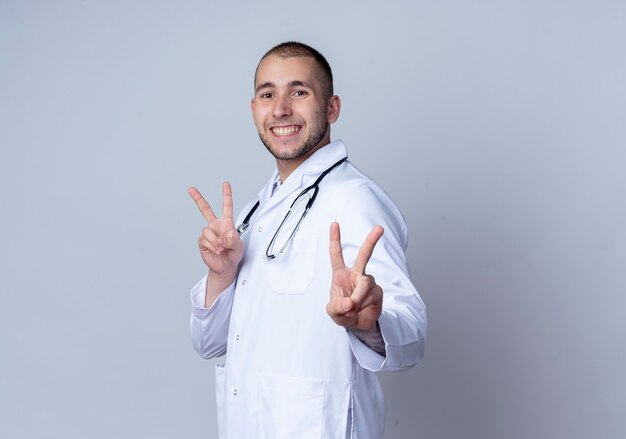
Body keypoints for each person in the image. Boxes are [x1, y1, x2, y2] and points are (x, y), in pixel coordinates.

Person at [188, 41, 426, 439]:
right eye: (268, 94)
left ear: (331, 107)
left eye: (298, 91)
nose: (281, 108)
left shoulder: (352, 198)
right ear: (254, 110)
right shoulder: (253, 213)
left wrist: (369, 324)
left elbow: (413, 336)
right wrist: (222, 277)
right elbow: (208, 344)